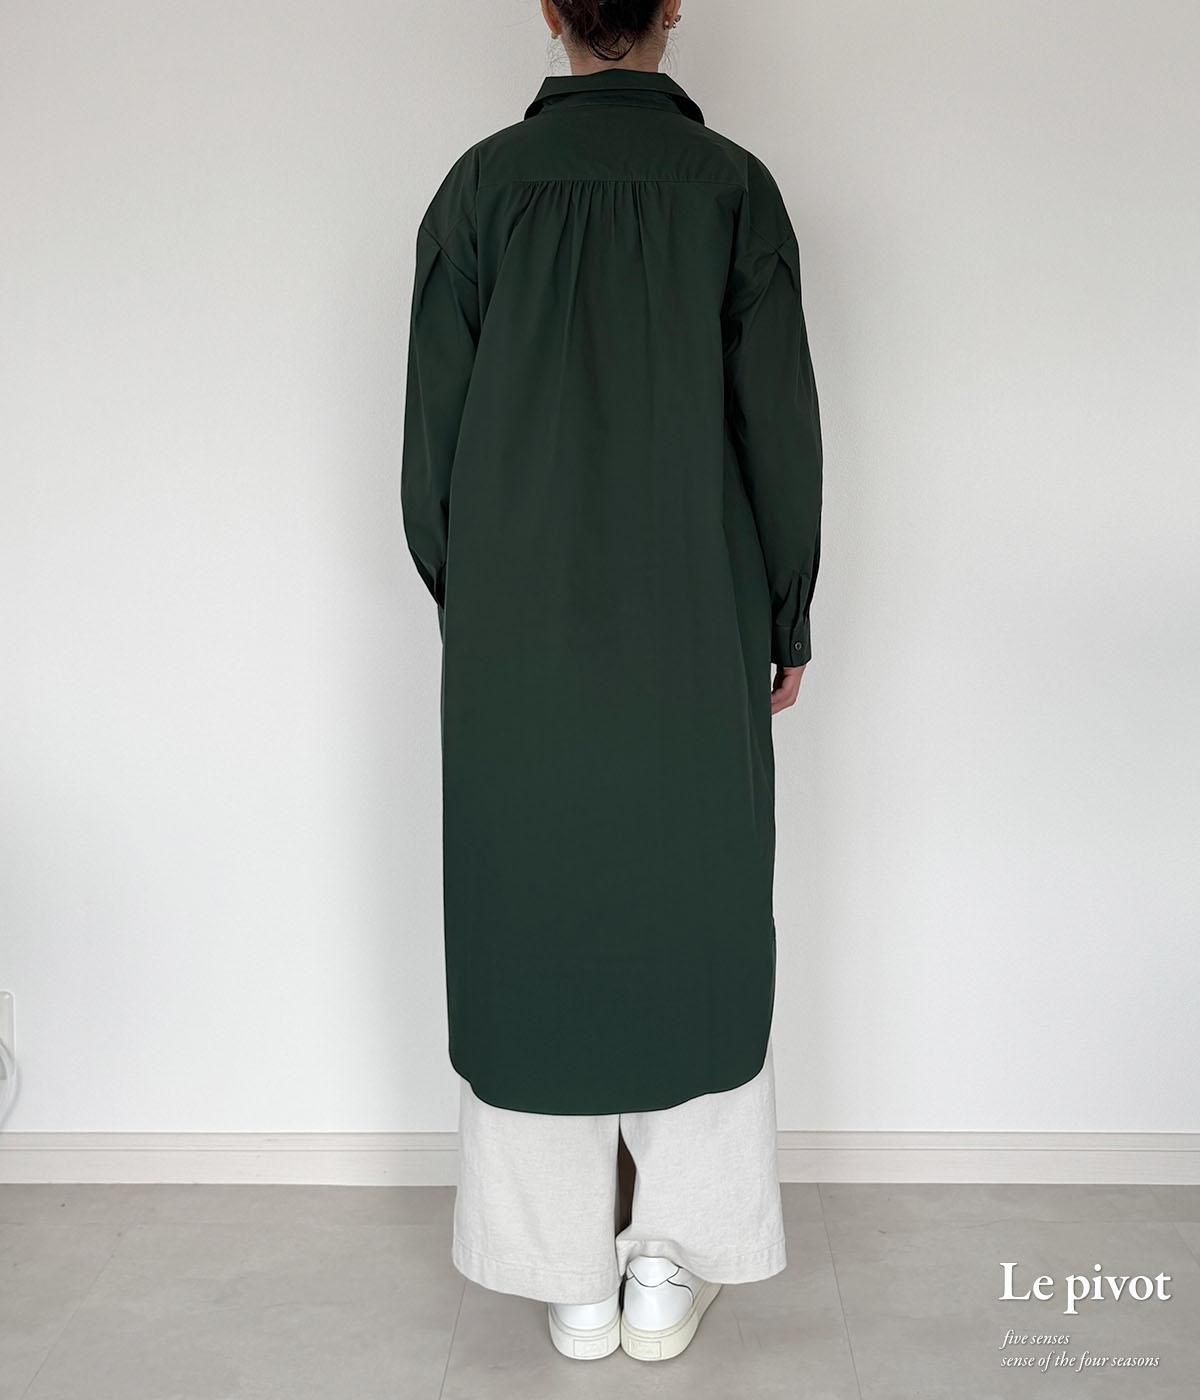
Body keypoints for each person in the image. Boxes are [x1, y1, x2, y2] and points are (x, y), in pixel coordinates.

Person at [400, 0, 823, 1363]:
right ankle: (666, 1270)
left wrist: (487, 610)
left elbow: (432, 456)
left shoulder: (480, 193)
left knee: (529, 926)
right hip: (697, 627)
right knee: (697, 928)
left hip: (518, 638)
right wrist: (783, 616)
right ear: (671, 8)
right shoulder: (732, 192)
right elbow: (780, 430)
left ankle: (567, 1281)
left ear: (550, 11)